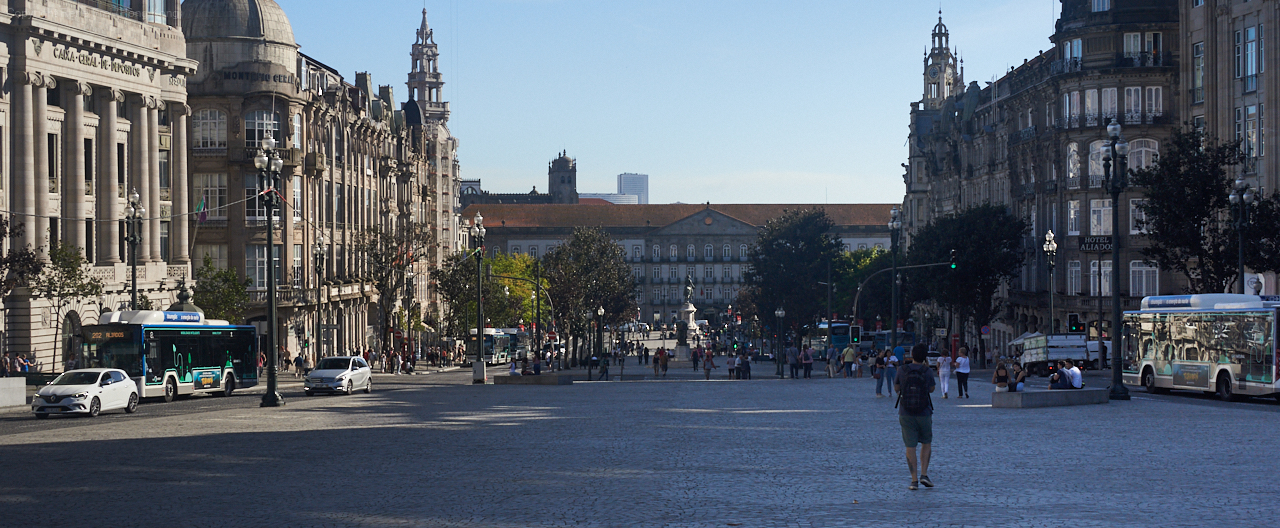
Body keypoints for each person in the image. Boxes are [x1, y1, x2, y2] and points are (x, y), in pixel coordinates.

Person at [895, 343, 936, 491]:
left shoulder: (902, 369)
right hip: (924, 412)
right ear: (925, 357)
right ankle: (924, 474)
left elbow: (896, 388)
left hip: (906, 413)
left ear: (912, 355)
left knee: (910, 446)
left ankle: (913, 480)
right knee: (926, 442)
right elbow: (931, 388)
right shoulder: (927, 371)